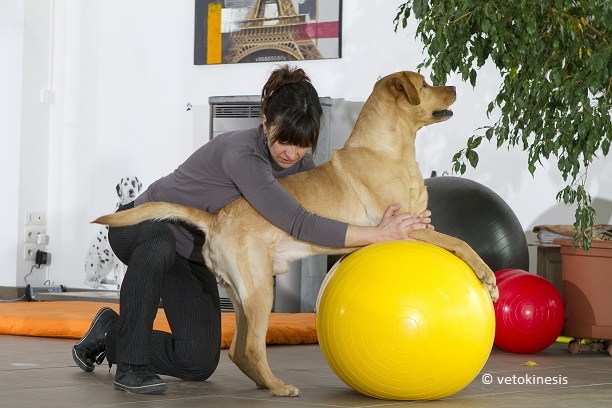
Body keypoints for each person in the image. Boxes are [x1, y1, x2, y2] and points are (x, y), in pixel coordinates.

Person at [71, 65, 433, 395]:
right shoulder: (242, 155)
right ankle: (131, 366)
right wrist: (379, 234)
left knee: (196, 362)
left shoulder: (297, 161)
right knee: (160, 243)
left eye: (303, 143)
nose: (292, 153)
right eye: (284, 140)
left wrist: (399, 219)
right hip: (145, 223)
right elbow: (300, 222)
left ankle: (110, 333)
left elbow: (318, 201)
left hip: (193, 250)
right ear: (265, 123)